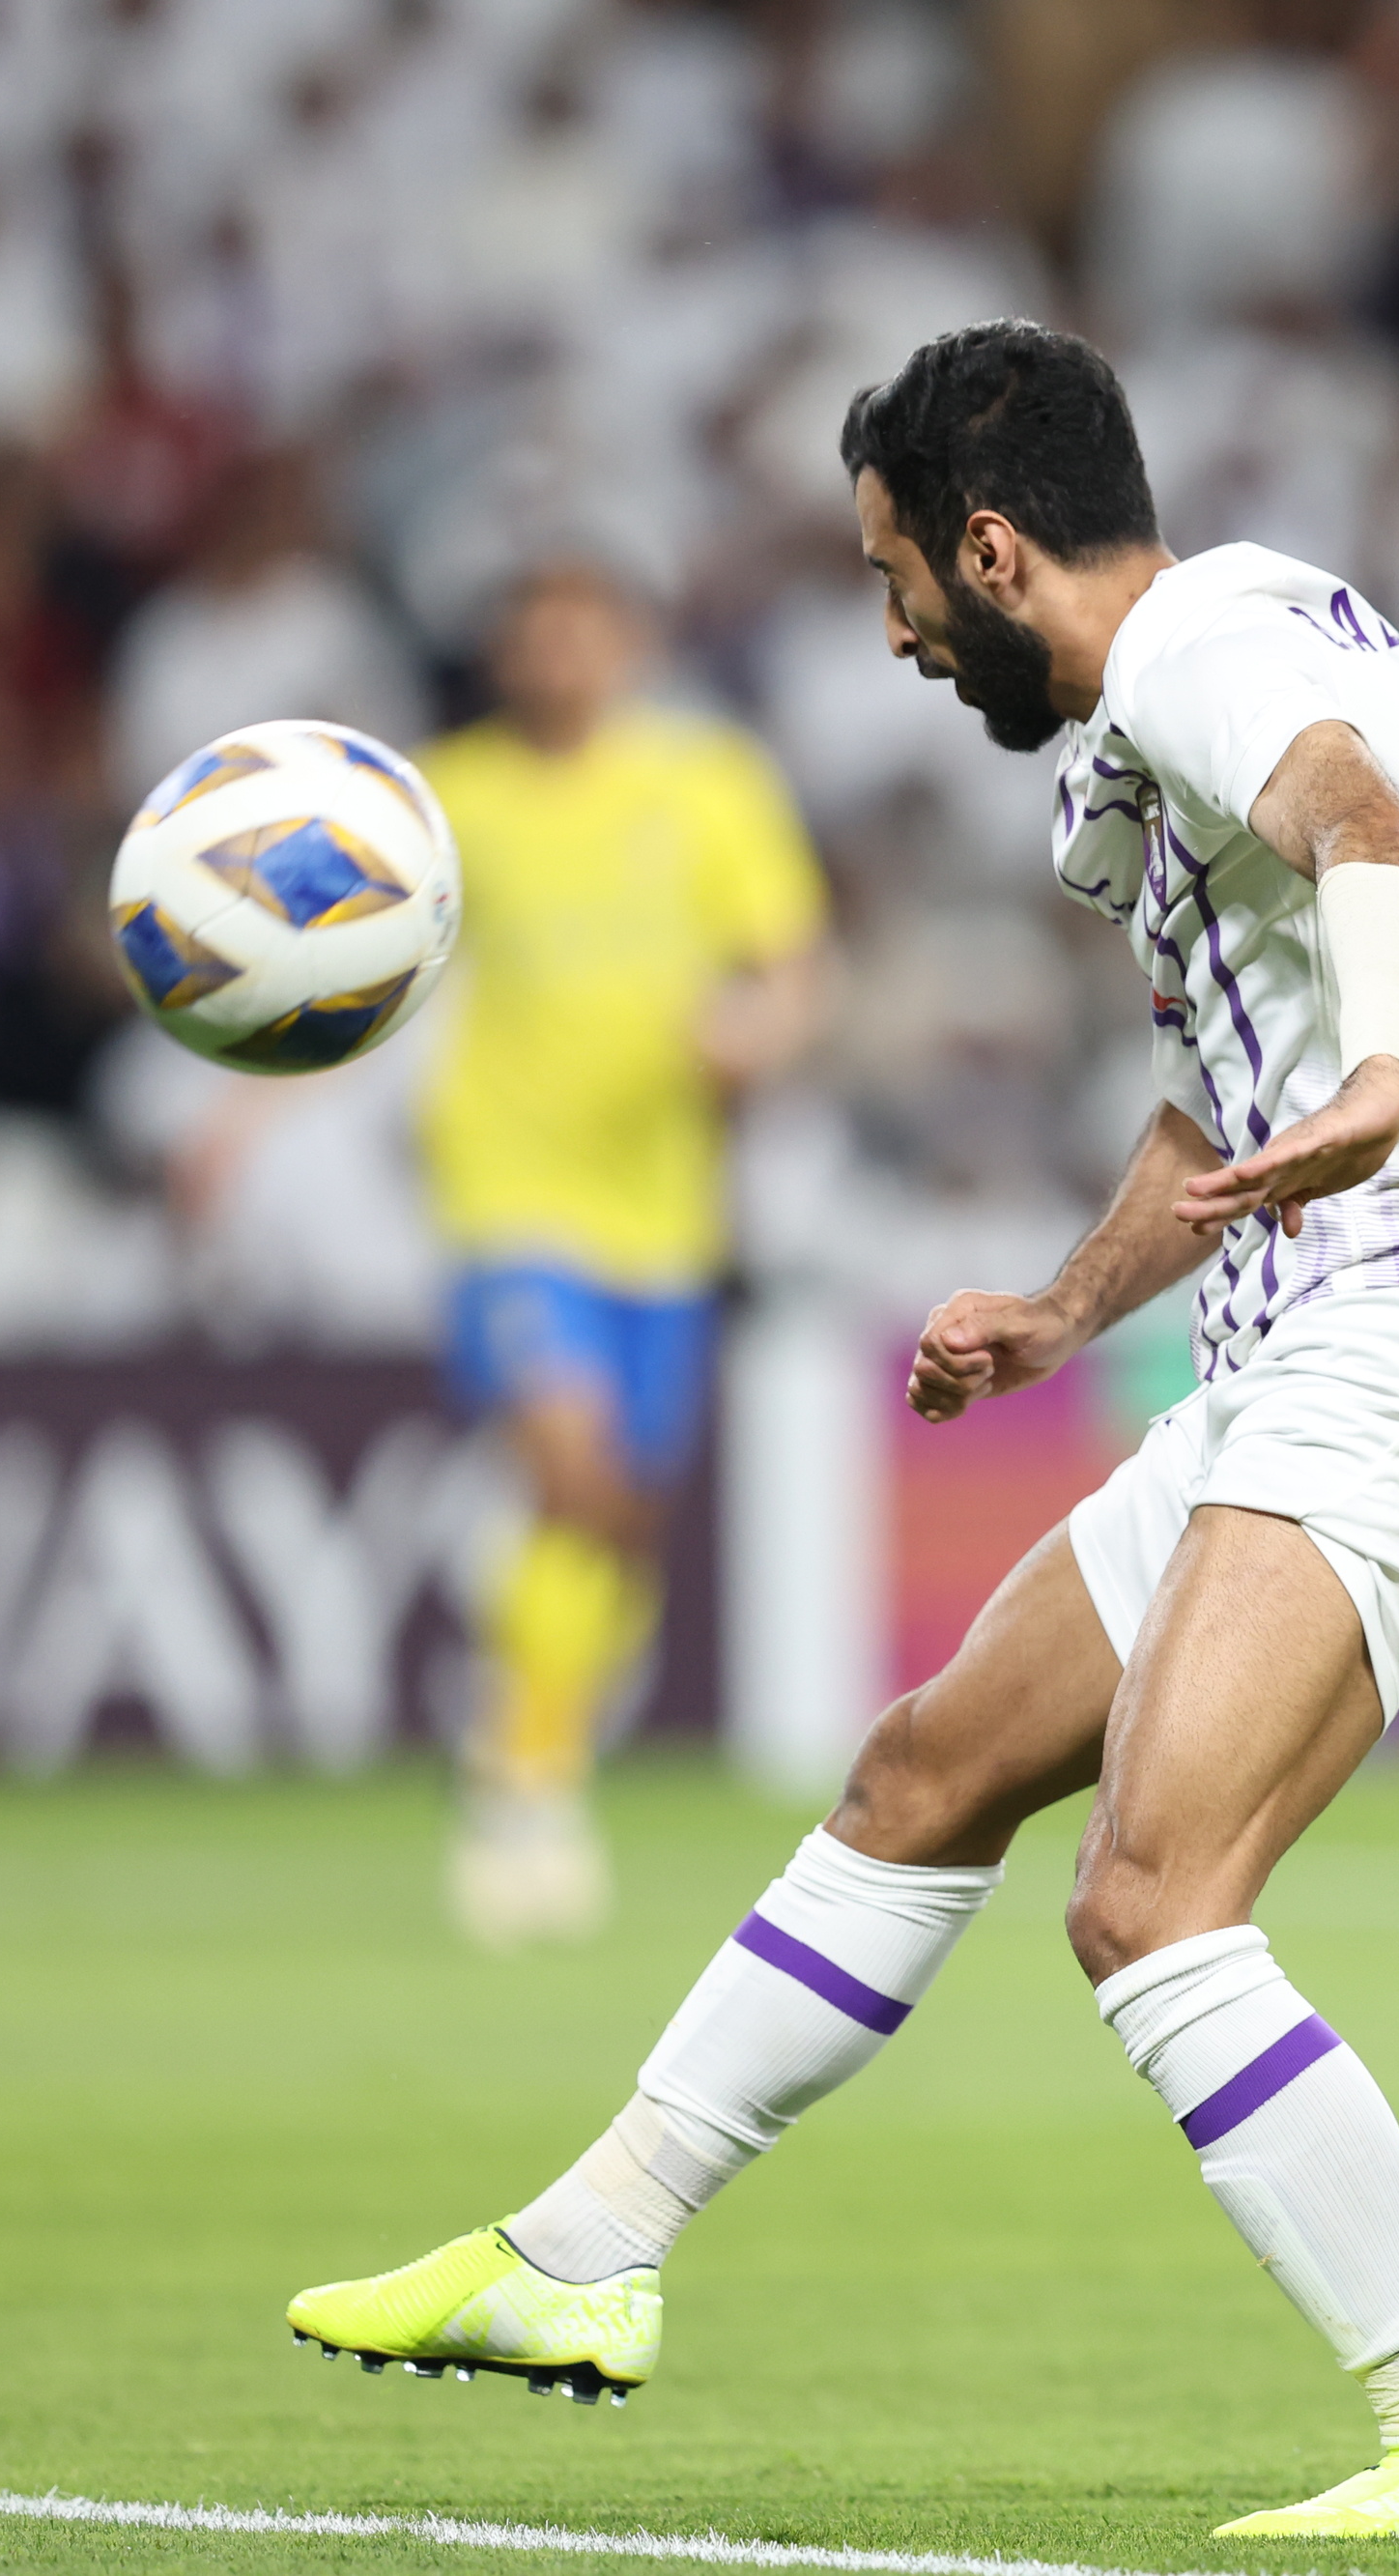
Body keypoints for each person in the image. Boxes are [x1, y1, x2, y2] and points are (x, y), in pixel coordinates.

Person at [287, 326, 1399, 2544]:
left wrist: (1381, 1069)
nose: (891, 630)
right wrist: (1067, 1307)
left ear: (991, 550)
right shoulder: (1149, 728)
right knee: (922, 1768)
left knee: (1150, 1905)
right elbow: (1218, 1094)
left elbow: (1363, 831)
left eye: (894, 577)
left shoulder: (1211, 647)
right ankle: (587, 2246)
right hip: (1291, 1338)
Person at [411, 558, 828, 1947]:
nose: (559, 663)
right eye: (535, 640)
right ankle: (521, 1784)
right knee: (572, 1467)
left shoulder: (707, 785)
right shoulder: (453, 798)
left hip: (666, 1213)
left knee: (619, 1517)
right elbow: (348, 949)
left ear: (630, 647)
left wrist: (756, 1035)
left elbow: (787, 967)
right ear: (506, 658)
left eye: (582, 637)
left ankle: (533, 1743)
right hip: (512, 1196)